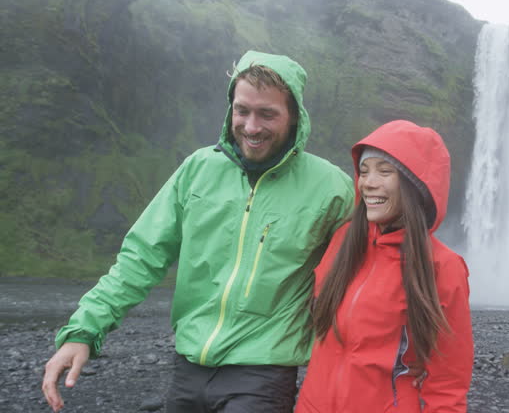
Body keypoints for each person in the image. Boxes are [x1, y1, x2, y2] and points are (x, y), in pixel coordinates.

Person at [41, 50, 354, 412]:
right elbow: (140, 258)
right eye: (242, 111)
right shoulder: (198, 170)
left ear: (295, 116)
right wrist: (83, 332)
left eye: (267, 114)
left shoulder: (332, 187)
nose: (251, 127)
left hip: (264, 373)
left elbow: (365, 271)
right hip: (188, 366)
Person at [295, 120, 474, 413]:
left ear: (415, 185)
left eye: (384, 171)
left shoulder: (442, 267)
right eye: (364, 171)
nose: (368, 182)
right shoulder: (343, 241)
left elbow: (447, 382)